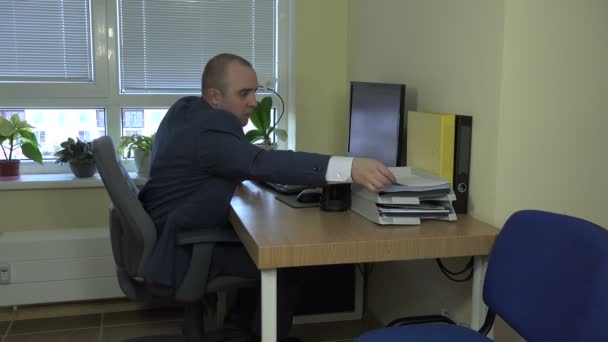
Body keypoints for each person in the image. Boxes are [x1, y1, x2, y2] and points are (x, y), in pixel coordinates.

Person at [138, 53, 396, 341]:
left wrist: (251, 162)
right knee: (287, 259)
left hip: (174, 226)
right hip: (182, 247)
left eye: (255, 90)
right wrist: (351, 167)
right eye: (244, 93)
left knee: (267, 240)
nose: (254, 101)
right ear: (214, 96)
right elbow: (252, 162)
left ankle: (244, 326)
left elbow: (229, 161)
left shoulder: (186, 108)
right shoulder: (210, 132)